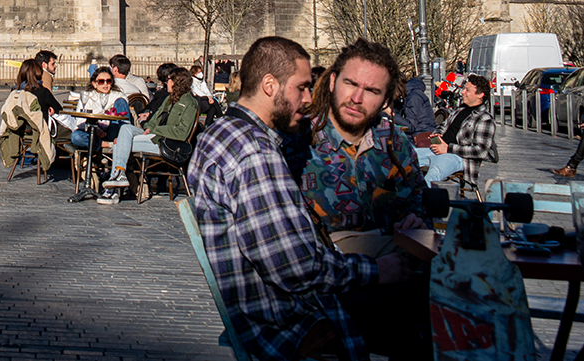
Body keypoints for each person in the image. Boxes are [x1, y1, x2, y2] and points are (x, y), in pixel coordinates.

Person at [188, 36, 413, 361]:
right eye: (302, 88)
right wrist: (376, 270)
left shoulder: (222, 133)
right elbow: (297, 267)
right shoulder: (256, 153)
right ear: (270, 85)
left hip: (268, 311)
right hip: (292, 324)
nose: (309, 99)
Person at [290, 39, 428, 254]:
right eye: (351, 84)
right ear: (332, 82)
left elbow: (420, 201)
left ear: (385, 101)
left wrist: (416, 219)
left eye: (372, 90)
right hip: (327, 266)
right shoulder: (297, 141)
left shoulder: (394, 141)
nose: (357, 98)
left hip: (398, 259)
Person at [100, 67, 200, 202]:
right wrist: (148, 128)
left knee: (120, 143)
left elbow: (181, 133)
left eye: (169, 79)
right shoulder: (170, 99)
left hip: (166, 143)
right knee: (126, 129)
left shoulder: (189, 103)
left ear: (177, 82)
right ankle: (119, 176)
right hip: (153, 136)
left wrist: (155, 130)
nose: (166, 82)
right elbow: (154, 120)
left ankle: (112, 189)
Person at [425, 74, 497, 184]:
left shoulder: (484, 118)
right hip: (438, 149)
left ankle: (419, 199)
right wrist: (437, 135)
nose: (462, 92)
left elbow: (481, 151)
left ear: (480, 95)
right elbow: (442, 126)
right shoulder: (460, 110)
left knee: (432, 176)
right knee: (403, 158)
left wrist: (448, 148)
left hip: (459, 157)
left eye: (467, 90)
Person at [71, 66, 131, 150]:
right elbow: (80, 120)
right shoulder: (87, 96)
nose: (105, 84)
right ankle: (104, 144)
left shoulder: (118, 96)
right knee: (76, 136)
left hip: (111, 129)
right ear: (94, 84)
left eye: (108, 81)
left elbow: (124, 115)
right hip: (93, 130)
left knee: (121, 101)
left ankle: (123, 139)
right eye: (101, 81)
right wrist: (95, 129)